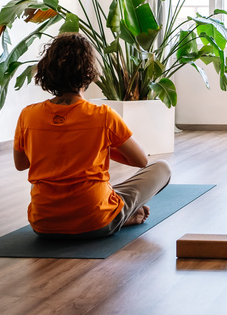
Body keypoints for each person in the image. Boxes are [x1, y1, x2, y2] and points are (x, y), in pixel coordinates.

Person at [13, 33, 171, 238]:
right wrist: (102, 144)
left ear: (47, 71)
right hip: (95, 220)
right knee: (162, 168)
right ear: (88, 72)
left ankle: (119, 212)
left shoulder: (28, 115)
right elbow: (141, 160)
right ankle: (122, 215)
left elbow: (21, 163)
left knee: (104, 189)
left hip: (43, 224)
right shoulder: (103, 115)